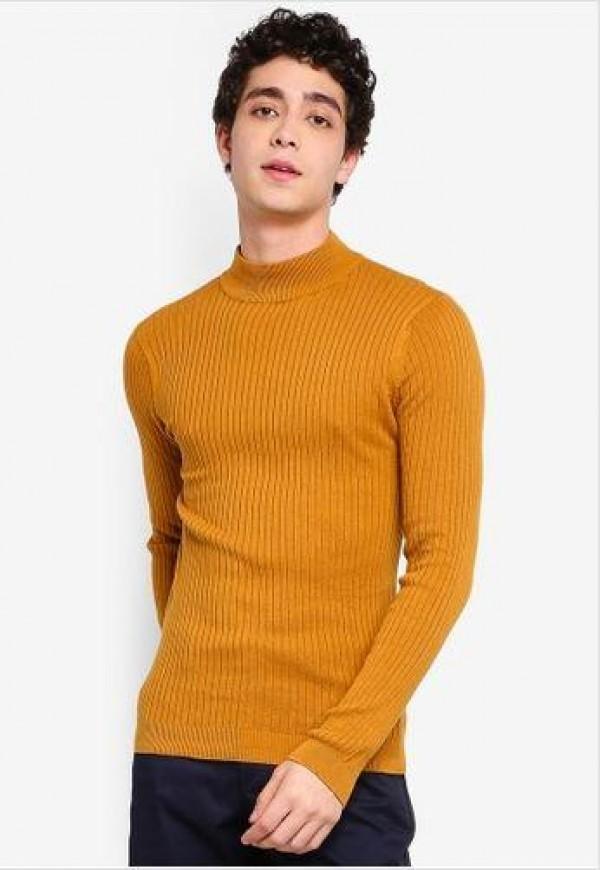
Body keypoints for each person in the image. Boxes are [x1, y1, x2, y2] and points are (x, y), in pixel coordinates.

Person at [123, 6, 485, 867]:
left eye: (320, 118)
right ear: (226, 138)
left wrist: (334, 753)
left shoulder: (420, 326)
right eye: (265, 108)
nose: (288, 132)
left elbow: (442, 565)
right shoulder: (158, 345)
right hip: (179, 760)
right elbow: (170, 541)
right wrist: (210, 704)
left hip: (342, 772)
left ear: (347, 158)